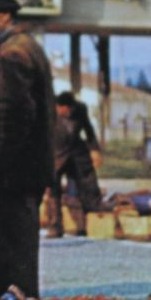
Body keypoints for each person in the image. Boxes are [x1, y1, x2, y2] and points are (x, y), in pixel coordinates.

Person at [0, 0, 56, 297]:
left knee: (10, 254)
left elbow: (14, 114)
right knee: (19, 252)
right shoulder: (22, 46)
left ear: (3, 16)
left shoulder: (12, 53)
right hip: (25, 169)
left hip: (13, 172)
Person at [50, 91, 104, 237]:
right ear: (57, 107)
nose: (66, 113)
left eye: (69, 110)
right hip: (55, 152)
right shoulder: (48, 110)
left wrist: (95, 150)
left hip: (76, 152)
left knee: (87, 186)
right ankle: (56, 226)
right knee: (54, 191)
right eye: (63, 110)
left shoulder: (80, 109)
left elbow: (89, 130)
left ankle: (89, 224)